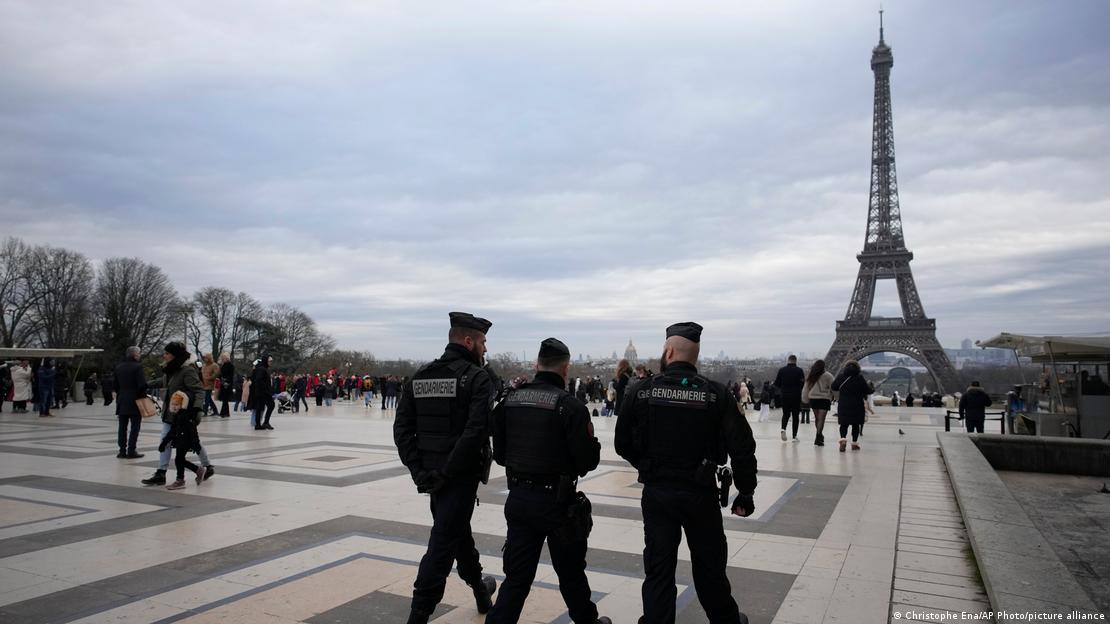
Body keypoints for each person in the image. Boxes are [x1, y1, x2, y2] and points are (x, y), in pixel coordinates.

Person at [615, 322, 757, 624]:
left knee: (658, 570)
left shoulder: (641, 391)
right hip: (700, 493)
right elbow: (742, 447)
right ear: (696, 355)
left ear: (668, 351)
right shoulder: (716, 394)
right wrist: (745, 491)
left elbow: (622, 443)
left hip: (658, 492)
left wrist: (647, 466)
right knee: (709, 569)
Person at [486, 338, 612, 624]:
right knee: (571, 575)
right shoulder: (570, 406)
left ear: (536, 365)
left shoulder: (510, 401)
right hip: (557, 503)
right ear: (565, 369)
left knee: (516, 579)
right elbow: (586, 463)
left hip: (519, 498)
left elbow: (501, 455)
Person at [393, 312, 498, 624]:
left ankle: (480, 589)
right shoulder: (476, 378)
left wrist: (419, 470)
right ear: (468, 341)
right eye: (482, 342)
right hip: (457, 477)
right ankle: (418, 615)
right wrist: (447, 474)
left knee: (456, 532)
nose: (485, 349)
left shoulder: (421, 376)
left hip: (431, 474)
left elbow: (402, 430)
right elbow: (475, 432)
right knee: (442, 545)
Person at [140, 342, 215, 486]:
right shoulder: (171, 369)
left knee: (192, 441)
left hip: (183, 414)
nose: (164, 356)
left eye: (167, 353)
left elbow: (198, 390)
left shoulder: (187, 370)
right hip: (170, 413)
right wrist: (146, 384)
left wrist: (197, 409)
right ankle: (161, 472)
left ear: (175, 355)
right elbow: (165, 383)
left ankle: (206, 466)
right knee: (168, 441)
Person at [159, 389, 207, 491]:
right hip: (180, 441)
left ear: (183, 404)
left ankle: (181, 479)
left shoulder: (185, 416)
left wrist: (196, 444)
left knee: (179, 460)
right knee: (179, 460)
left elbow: (193, 431)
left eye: (177, 404)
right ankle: (197, 470)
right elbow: (172, 431)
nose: (175, 406)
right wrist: (164, 442)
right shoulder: (177, 416)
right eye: (173, 404)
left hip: (185, 441)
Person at [113, 346, 148, 459]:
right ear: (134, 355)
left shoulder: (119, 367)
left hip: (122, 400)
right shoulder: (138, 367)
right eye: (139, 353)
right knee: (135, 427)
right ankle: (131, 450)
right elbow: (142, 385)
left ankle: (122, 451)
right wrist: (143, 397)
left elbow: (115, 385)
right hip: (135, 400)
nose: (140, 355)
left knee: (122, 427)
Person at [831, 360, 872, 452]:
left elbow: (833, 387)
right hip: (857, 404)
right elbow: (867, 390)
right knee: (856, 424)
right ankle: (854, 444)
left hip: (844, 403)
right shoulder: (859, 377)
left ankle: (843, 440)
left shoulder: (841, 376)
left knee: (844, 424)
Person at [774, 355, 806, 443]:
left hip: (785, 395)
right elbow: (802, 383)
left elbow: (777, 383)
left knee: (785, 414)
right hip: (796, 396)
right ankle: (794, 436)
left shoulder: (782, 370)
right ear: (796, 361)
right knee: (795, 416)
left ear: (788, 360)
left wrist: (783, 388)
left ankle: (783, 429)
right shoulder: (799, 370)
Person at [802, 360, 834, 447]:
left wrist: (805, 399)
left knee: (817, 418)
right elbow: (833, 387)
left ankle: (819, 435)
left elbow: (806, 388)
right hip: (824, 399)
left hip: (814, 399)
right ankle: (818, 435)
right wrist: (836, 397)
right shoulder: (828, 375)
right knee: (821, 419)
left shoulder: (811, 375)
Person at [250, 354, 275, 430]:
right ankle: (265, 423)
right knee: (271, 405)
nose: (271, 362)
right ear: (265, 361)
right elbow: (259, 380)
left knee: (260, 407)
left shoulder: (263, 368)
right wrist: (266, 390)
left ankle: (258, 425)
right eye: (270, 361)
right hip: (263, 393)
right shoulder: (262, 369)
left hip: (261, 392)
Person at [217, 352, 234, 417]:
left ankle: (224, 412)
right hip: (223, 383)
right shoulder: (223, 365)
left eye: (223, 358)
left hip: (227, 384)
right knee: (224, 399)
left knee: (225, 399)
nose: (222, 359)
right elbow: (221, 374)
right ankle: (225, 412)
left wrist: (226, 380)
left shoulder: (231, 366)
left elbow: (231, 376)